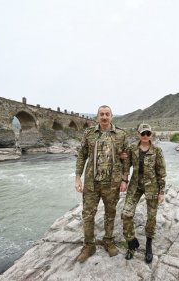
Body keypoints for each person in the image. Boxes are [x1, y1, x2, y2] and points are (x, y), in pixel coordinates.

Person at [74, 105, 129, 263]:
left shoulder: (121, 134)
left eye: (107, 114)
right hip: (92, 183)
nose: (104, 117)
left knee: (110, 214)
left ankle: (109, 241)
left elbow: (126, 159)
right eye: (101, 114)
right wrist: (78, 178)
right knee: (88, 214)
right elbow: (81, 156)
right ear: (97, 117)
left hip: (112, 183)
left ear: (112, 116)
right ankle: (89, 246)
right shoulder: (89, 133)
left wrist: (125, 179)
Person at [121, 123, 166, 263]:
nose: (145, 136)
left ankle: (148, 246)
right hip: (135, 185)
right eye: (143, 133)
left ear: (151, 135)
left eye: (148, 133)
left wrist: (162, 191)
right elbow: (126, 166)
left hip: (152, 186)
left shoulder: (157, 150)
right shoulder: (132, 148)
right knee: (126, 214)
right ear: (138, 134)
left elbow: (161, 172)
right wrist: (124, 181)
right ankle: (131, 243)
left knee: (151, 217)